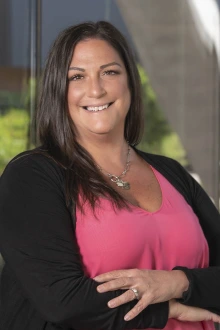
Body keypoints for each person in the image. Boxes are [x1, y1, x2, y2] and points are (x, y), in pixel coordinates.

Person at [0, 21, 220, 330]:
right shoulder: (32, 176)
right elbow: (62, 300)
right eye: (77, 76)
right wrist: (167, 310)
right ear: (58, 90)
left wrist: (178, 282)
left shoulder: (171, 173)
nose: (96, 89)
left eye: (110, 72)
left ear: (130, 81)